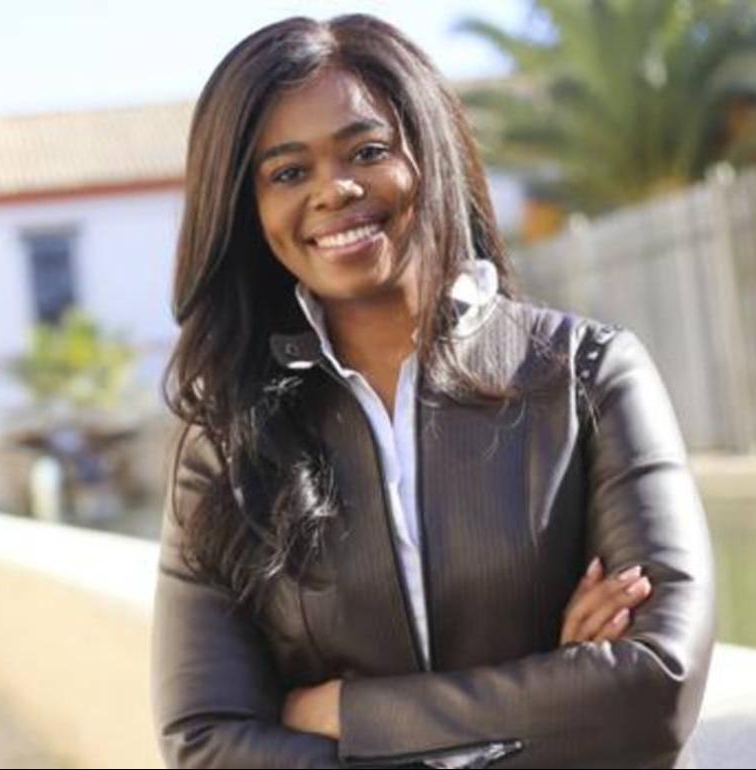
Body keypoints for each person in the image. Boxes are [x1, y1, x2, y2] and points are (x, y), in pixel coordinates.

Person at [151, 14, 715, 769]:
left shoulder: (590, 374)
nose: (334, 189)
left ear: (431, 152)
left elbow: (654, 686)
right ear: (248, 211)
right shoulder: (226, 442)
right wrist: (550, 697)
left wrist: (347, 715)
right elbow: (206, 743)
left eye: (368, 151)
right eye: (287, 173)